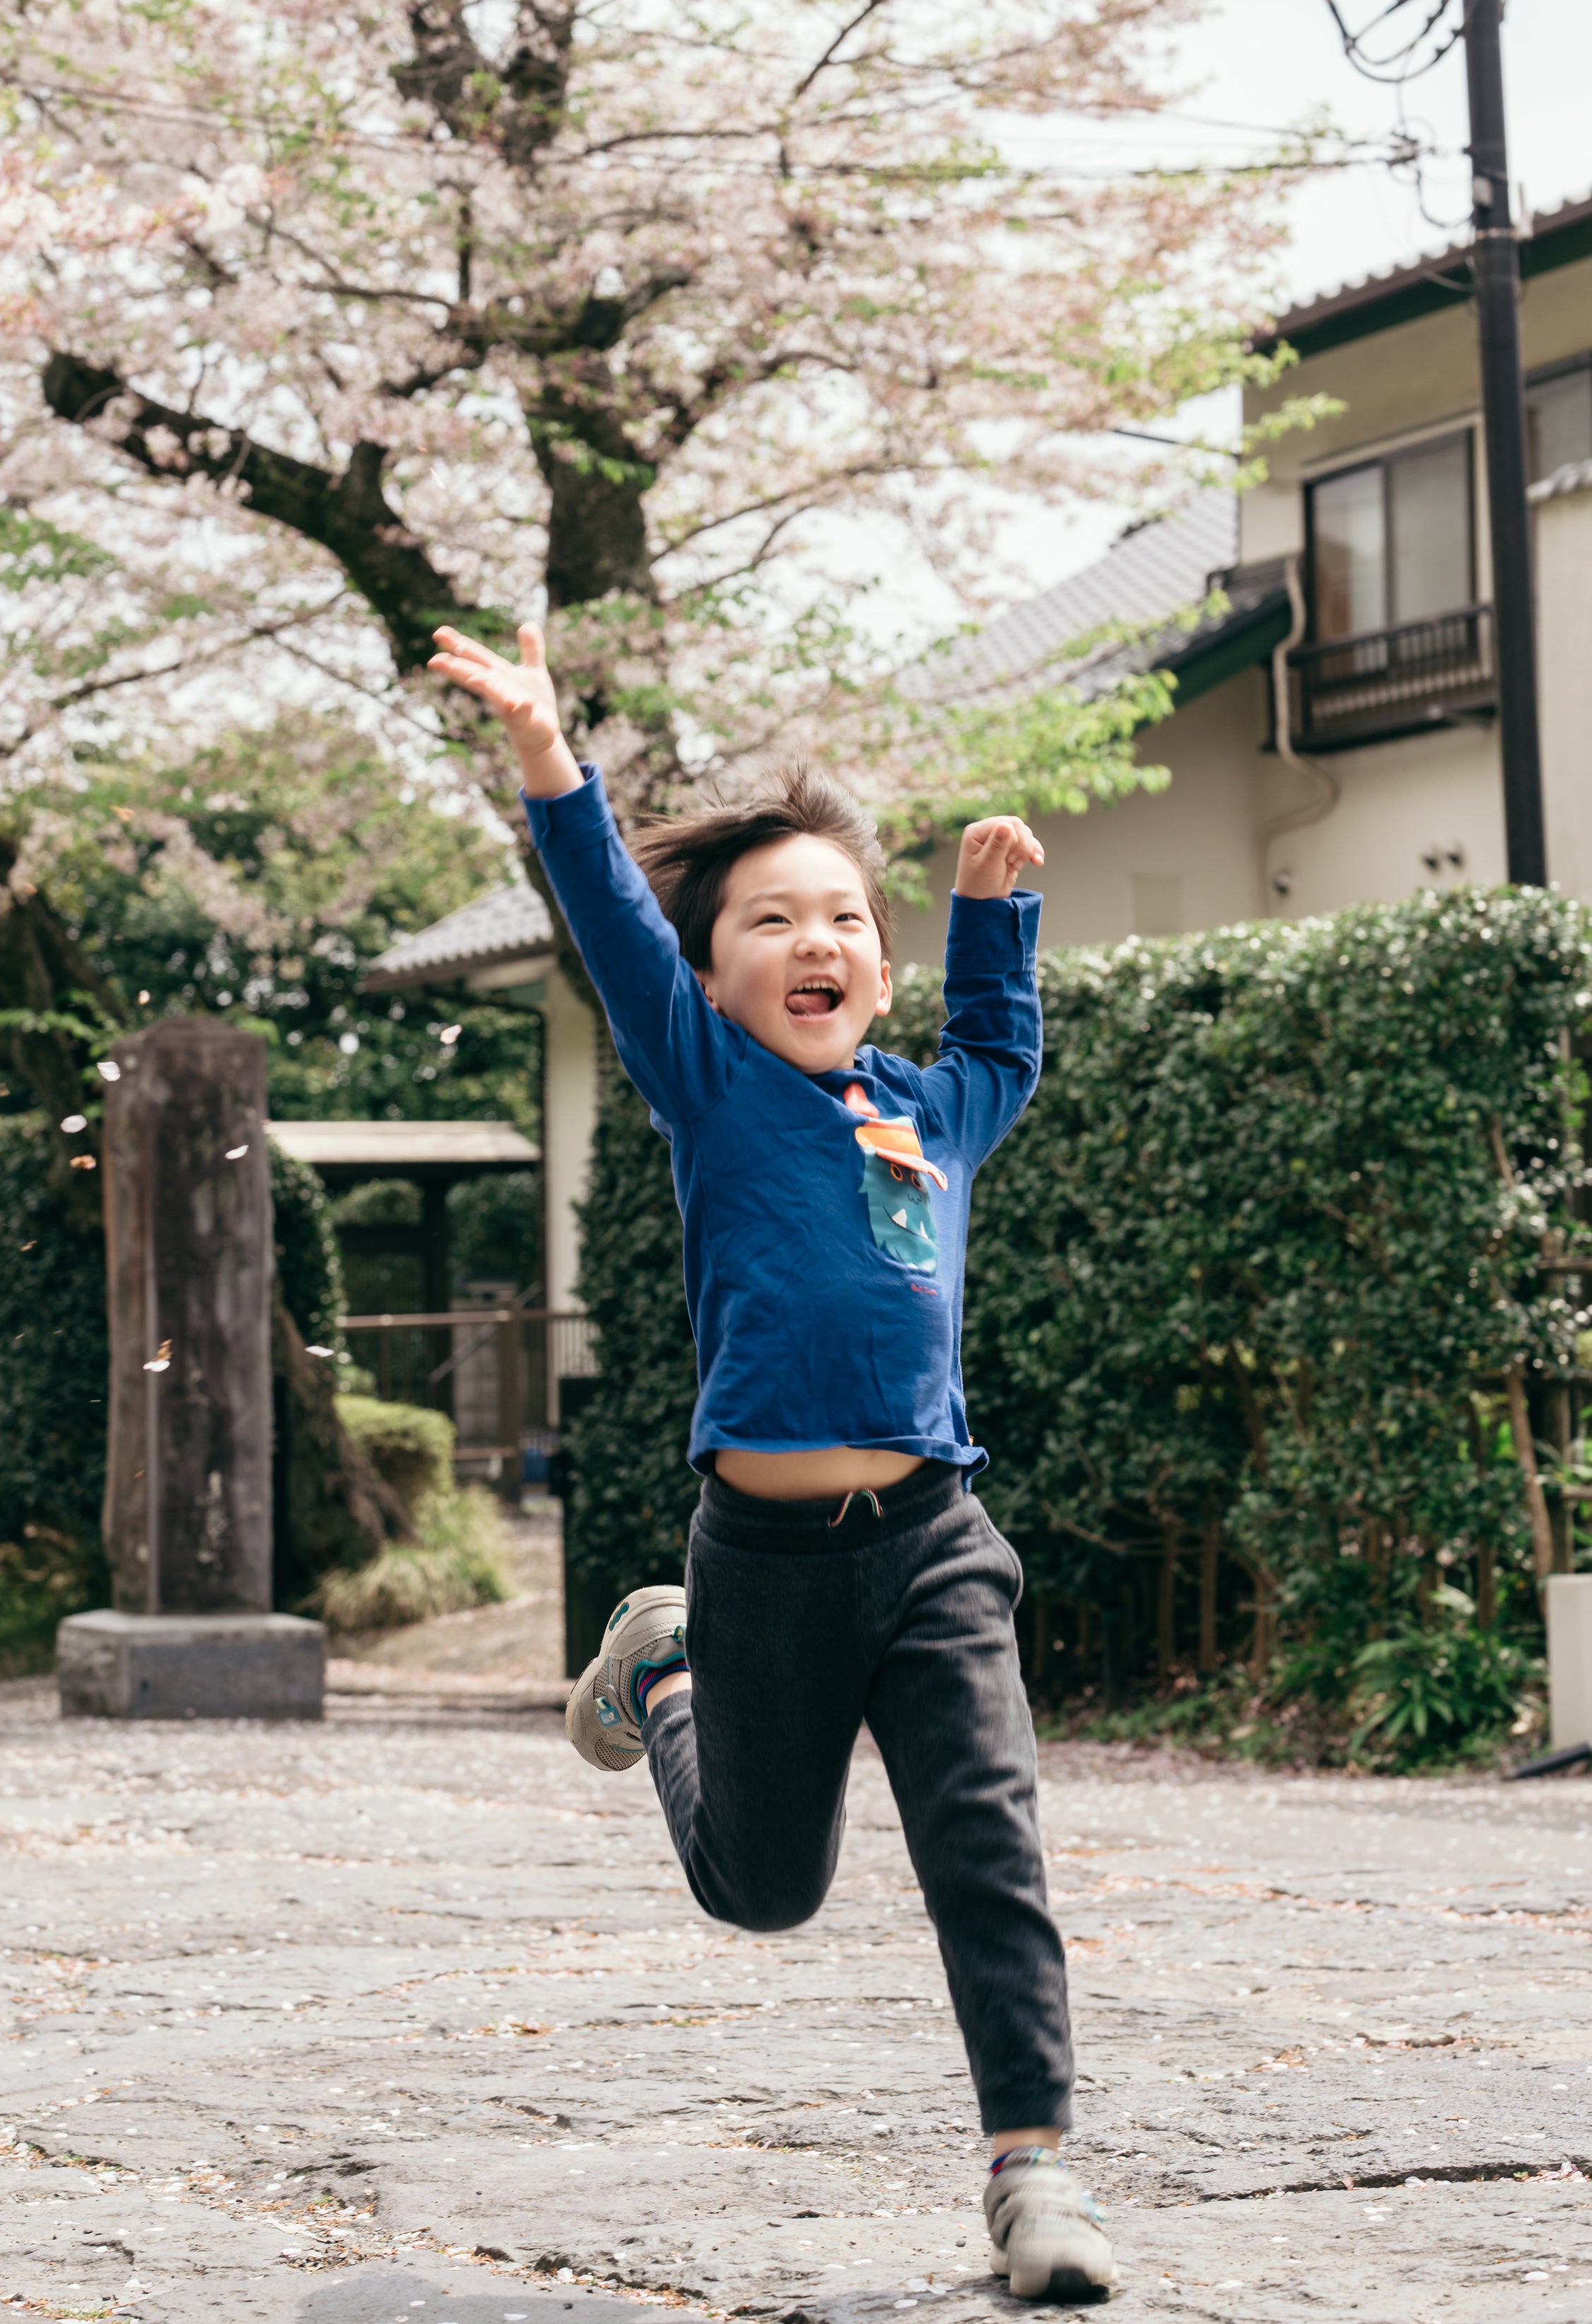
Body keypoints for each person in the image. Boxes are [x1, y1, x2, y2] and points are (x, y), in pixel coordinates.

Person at [429, 622, 1113, 2307]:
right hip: (767, 1558)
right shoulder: (709, 1088)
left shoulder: (927, 1113)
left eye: (845, 922)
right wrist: (545, 753)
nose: (815, 938)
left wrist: (991, 919)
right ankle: (661, 1656)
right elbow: (600, 910)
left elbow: (1007, 1054)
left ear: (877, 970)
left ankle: (1030, 2166)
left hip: (938, 1538)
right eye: (770, 918)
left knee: (986, 1841)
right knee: (762, 1886)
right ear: (715, 975)